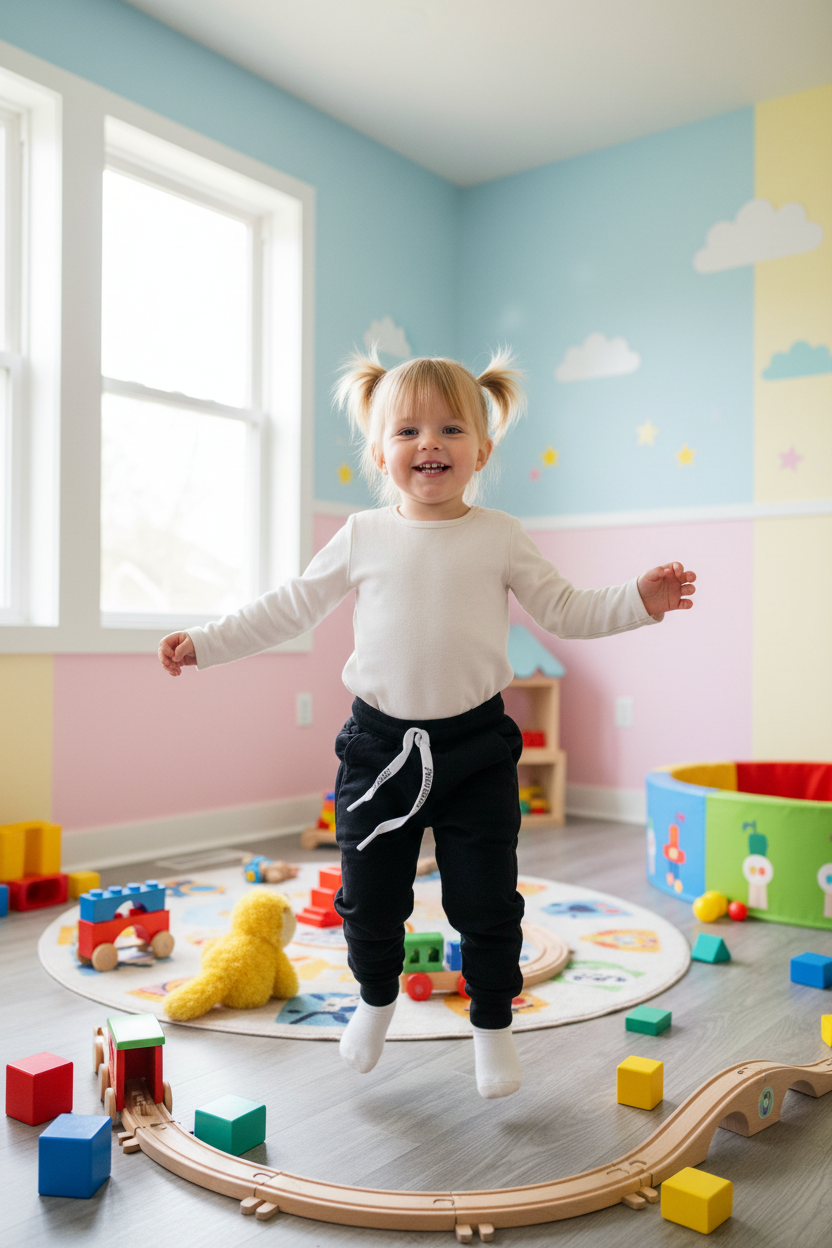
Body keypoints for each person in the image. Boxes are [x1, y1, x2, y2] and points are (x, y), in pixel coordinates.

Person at [158, 350, 696, 1099]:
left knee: (487, 898)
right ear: (380, 452)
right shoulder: (362, 535)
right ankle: (375, 1000)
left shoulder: (500, 535)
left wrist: (639, 599)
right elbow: (289, 606)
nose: (429, 443)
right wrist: (208, 643)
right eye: (407, 430)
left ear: (482, 448)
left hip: (475, 748)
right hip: (379, 750)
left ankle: (492, 1024)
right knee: (369, 898)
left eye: (450, 428)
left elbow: (567, 610)